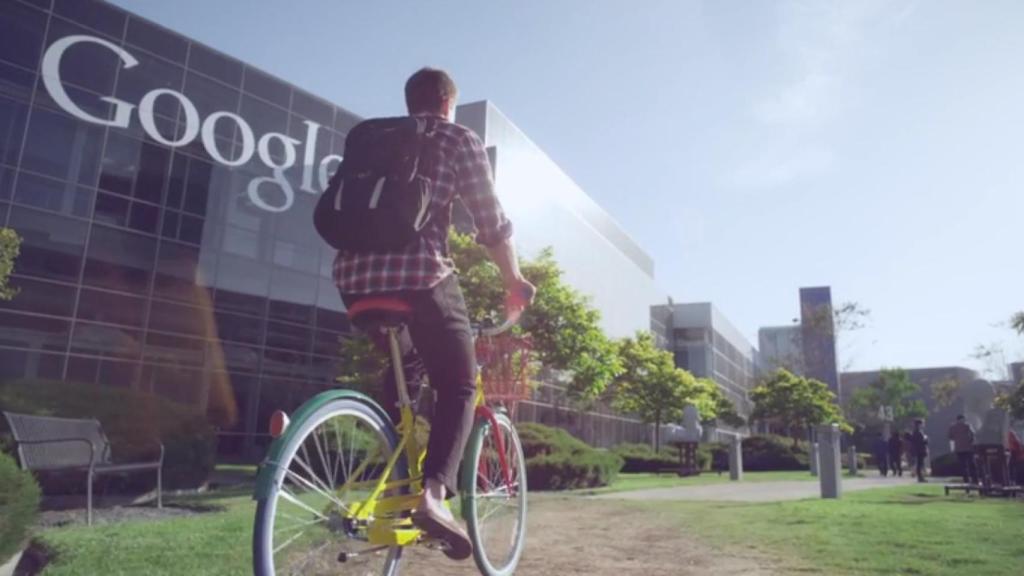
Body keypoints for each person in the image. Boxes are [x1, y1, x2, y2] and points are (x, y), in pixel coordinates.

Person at [333, 68, 536, 560]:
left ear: (411, 103)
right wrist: (514, 280)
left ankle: (397, 475)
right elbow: (490, 221)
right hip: (421, 277)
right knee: (460, 384)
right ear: (447, 103)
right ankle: (434, 496)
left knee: (408, 366)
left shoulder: (374, 139)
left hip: (353, 282)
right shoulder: (457, 138)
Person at [947, 414, 978, 484]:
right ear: (962, 419)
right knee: (972, 464)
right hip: (968, 448)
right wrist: (971, 441)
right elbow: (973, 434)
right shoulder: (967, 425)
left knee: (963, 466)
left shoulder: (953, 427)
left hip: (959, 449)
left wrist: (957, 439)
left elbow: (950, 437)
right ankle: (975, 479)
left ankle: (966, 480)